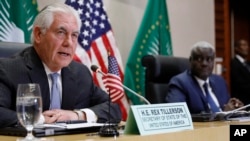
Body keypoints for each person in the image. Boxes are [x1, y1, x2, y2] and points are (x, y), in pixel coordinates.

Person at [0, 3, 121, 128]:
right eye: (61, 32)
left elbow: (113, 108)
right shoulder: (9, 70)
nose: (69, 42)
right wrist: (40, 119)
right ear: (38, 34)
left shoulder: (80, 73)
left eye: (74, 35)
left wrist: (77, 115)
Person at [165, 41, 243, 114]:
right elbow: (176, 115)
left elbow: (226, 107)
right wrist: (223, 114)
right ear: (190, 60)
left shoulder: (220, 81)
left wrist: (235, 109)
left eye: (209, 59)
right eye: (199, 59)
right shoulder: (180, 82)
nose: (204, 64)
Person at [230, 39, 250, 105]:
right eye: (244, 45)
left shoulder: (247, 63)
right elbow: (239, 84)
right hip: (241, 101)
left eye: (247, 45)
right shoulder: (234, 63)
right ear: (236, 48)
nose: (247, 47)